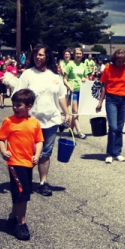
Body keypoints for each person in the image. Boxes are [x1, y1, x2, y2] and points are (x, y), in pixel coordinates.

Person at [16, 44, 71, 196]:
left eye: (41, 55)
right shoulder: (28, 74)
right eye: (36, 55)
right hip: (31, 121)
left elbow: (61, 97)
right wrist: (20, 113)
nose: (38, 57)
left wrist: (67, 114)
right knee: (30, 153)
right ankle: (25, 181)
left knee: (45, 153)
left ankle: (42, 183)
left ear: (47, 57)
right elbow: (17, 95)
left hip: (51, 120)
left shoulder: (55, 77)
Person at [0, 88, 43, 241]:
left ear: (29, 105)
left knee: (19, 192)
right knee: (23, 193)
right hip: (15, 162)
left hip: (28, 163)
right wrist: (3, 151)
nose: (15, 108)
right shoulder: (9, 121)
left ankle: (13, 217)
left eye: (19, 105)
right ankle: (21, 223)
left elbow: (39, 140)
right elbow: (0, 138)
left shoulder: (34, 123)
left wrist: (37, 155)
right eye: (13, 105)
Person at [95, 49, 125, 163]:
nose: (120, 63)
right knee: (113, 127)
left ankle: (117, 152)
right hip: (111, 99)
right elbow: (104, 86)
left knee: (120, 127)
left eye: (122, 60)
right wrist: (100, 102)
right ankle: (109, 153)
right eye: (118, 60)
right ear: (115, 59)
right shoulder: (108, 68)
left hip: (124, 100)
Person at [63, 46, 89, 139]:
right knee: (75, 111)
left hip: (81, 91)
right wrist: (69, 87)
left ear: (82, 55)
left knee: (77, 112)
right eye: (77, 53)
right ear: (74, 55)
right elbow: (65, 79)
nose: (78, 55)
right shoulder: (70, 65)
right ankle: (79, 131)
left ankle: (71, 129)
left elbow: (87, 78)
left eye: (80, 54)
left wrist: (84, 79)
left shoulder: (83, 65)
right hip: (73, 91)